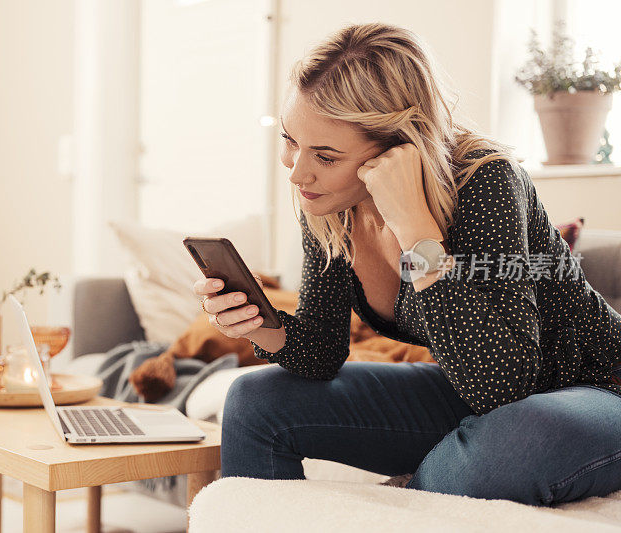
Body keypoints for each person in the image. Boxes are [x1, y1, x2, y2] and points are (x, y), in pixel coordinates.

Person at [191, 22, 621, 507]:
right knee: (255, 401)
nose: (297, 172)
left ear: (399, 148)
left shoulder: (485, 183)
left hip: (597, 389)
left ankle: (403, 503)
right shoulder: (331, 203)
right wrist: (255, 325)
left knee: (522, 436)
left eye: (326, 156)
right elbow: (320, 352)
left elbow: (504, 384)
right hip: (475, 393)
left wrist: (415, 227)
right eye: (291, 141)